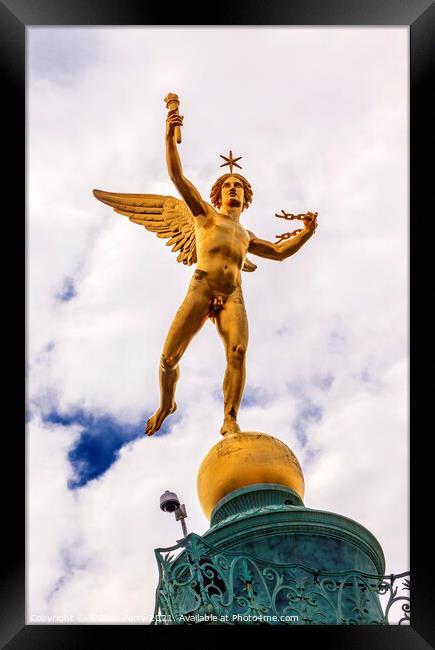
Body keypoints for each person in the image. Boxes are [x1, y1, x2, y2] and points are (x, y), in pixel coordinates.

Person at [144, 112, 317, 437]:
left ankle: (229, 418)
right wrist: (169, 135)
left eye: (239, 186)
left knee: (237, 352)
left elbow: (280, 253)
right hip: (201, 289)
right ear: (218, 195)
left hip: (232, 296)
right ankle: (167, 404)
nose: (233, 189)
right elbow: (178, 177)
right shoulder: (205, 216)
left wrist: (307, 231)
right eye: (228, 186)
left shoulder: (246, 235)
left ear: (246, 199)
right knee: (169, 359)